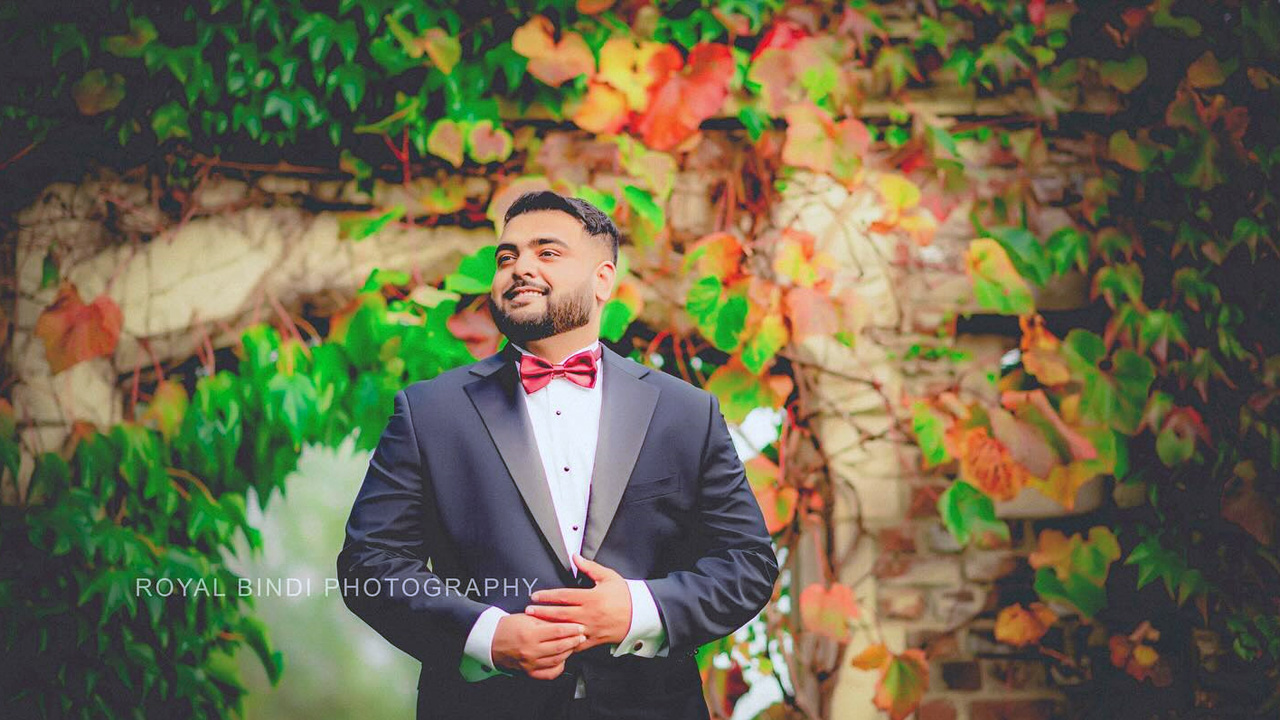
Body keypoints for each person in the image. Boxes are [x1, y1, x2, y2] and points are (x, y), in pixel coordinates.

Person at [337, 190, 779, 720]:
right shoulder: (428, 412)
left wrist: (640, 610)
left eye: (547, 252)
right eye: (507, 256)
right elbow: (370, 564)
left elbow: (747, 564)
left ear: (603, 279)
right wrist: (488, 635)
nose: (520, 267)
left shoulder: (687, 413)